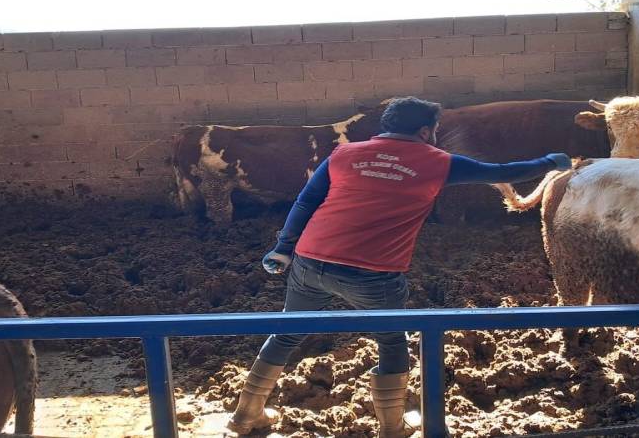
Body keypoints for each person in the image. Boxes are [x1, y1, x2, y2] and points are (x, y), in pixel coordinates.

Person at [227, 97, 572, 437]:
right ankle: (392, 428)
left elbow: (306, 201)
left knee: (287, 333)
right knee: (392, 342)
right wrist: (550, 161)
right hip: (372, 273)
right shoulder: (438, 162)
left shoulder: (344, 154)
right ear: (425, 131)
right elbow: (501, 173)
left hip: (311, 260)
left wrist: (283, 248)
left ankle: (245, 415)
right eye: (435, 129)